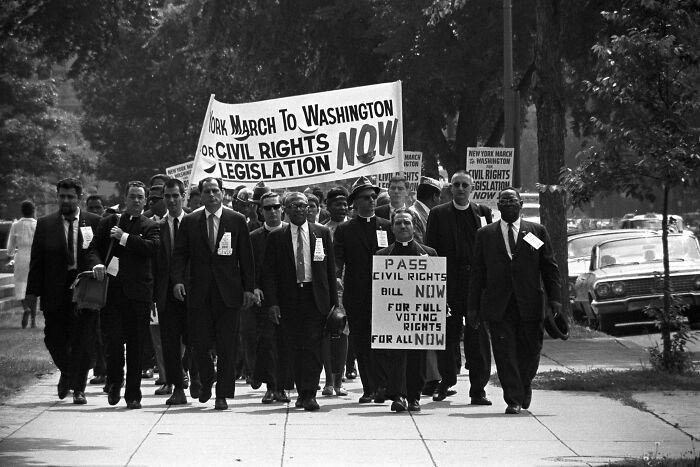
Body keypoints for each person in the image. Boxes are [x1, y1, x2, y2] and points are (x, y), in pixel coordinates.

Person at [468, 188, 561, 414]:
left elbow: (549, 267)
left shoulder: (536, 232)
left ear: (520, 204)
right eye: (504, 200)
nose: (509, 203)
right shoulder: (485, 234)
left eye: (513, 200)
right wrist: (472, 307)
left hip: (529, 303)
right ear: (498, 206)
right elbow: (477, 273)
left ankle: (524, 383)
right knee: (504, 353)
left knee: (530, 350)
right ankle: (513, 399)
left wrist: (555, 299)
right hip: (499, 305)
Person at [171, 177, 256, 410]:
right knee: (199, 343)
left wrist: (249, 288)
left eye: (215, 190)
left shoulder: (236, 220)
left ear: (223, 193)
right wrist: (177, 281)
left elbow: (246, 259)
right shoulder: (190, 221)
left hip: (228, 294)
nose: (211, 195)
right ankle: (207, 379)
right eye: (207, 191)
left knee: (227, 345)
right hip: (199, 293)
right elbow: (180, 255)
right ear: (201, 195)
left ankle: (223, 394)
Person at [26, 178, 101, 404]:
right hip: (54, 292)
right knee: (53, 338)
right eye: (62, 196)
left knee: (83, 340)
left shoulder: (94, 222)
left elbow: (98, 252)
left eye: (70, 196)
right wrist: (31, 294)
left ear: (78, 198)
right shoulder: (45, 224)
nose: (65, 200)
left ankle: (78, 388)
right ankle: (68, 372)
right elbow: (36, 262)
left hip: (84, 290)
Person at [263, 192, 338, 411]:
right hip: (289, 298)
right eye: (294, 206)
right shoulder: (277, 237)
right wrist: (273, 303)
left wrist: (335, 303)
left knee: (314, 346)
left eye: (303, 206)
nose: (299, 209)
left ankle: (310, 393)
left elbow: (329, 270)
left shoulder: (322, 233)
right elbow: (269, 274)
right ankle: (300, 390)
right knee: (294, 347)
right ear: (285, 209)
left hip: (315, 297)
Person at [89, 180, 160, 409]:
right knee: (114, 342)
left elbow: (152, 248)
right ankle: (114, 383)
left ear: (145, 200)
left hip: (138, 295)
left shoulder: (150, 225)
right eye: (132, 196)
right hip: (113, 294)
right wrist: (97, 265)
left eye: (140, 197)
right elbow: (93, 249)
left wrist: (124, 238)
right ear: (125, 198)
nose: (136, 201)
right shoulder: (110, 221)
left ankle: (133, 393)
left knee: (136, 345)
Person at [425, 170, 492, 405]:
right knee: (446, 337)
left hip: (476, 288)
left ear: (471, 189)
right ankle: (446, 381)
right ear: (450, 189)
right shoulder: (438, 214)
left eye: (465, 185)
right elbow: (431, 251)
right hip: (447, 286)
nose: (461, 189)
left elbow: (489, 251)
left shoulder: (483, 213)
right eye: (456, 185)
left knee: (478, 339)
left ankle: (478, 389)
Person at [334, 176, 393, 404]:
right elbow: (337, 260)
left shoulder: (386, 226)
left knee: (384, 342)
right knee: (363, 342)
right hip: (357, 294)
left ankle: (385, 385)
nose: (371, 201)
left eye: (373, 197)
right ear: (355, 202)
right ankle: (369, 388)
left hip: (385, 293)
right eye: (366, 198)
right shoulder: (345, 230)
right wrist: (337, 276)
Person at [375, 209, 437, 412]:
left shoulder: (428, 254)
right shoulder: (382, 256)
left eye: (407, 223)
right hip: (393, 317)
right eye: (399, 223)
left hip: (417, 316)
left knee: (417, 358)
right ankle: (398, 396)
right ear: (392, 228)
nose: (403, 226)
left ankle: (414, 397)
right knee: (395, 357)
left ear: (414, 226)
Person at [243, 191, 292, 404]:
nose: (272, 211)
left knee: (287, 343)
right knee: (267, 342)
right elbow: (247, 267)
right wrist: (253, 287)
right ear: (260, 212)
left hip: (290, 297)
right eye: (267, 208)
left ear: (282, 209)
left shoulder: (293, 233)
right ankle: (272, 386)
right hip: (263, 299)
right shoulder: (253, 237)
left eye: (276, 207)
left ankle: (284, 385)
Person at [154, 178, 199, 405]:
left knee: (194, 338)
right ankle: (178, 387)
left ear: (183, 196)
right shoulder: (157, 226)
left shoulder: (195, 223)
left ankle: (196, 375)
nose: (171, 200)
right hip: (167, 296)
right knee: (170, 343)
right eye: (167, 196)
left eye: (175, 196)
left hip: (194, 293)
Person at [320, 186, 352, 388]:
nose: (342, 207)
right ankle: (328, 381)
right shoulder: (322, 230)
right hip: (327, 287)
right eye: (337, 204)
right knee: (326, 333)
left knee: (344, 332)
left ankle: (339, 380)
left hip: (350, 288)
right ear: (328, 206)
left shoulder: (353, 227)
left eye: (344, 204)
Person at [7, 200, 37, 328]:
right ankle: (33, 321)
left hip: (21, 257)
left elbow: (10, 246)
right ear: (33, 211)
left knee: (20, 285)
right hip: (35, 257)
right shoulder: (38, 224)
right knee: (33, 288)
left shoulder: (16, 225)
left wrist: (11, 254)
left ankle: (25, 308)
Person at [409, 176, 441, 244]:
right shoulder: (414, 215)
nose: (440, 201)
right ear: (434, 197)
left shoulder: (422, 213)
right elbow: (419, 247)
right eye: (440, 197)